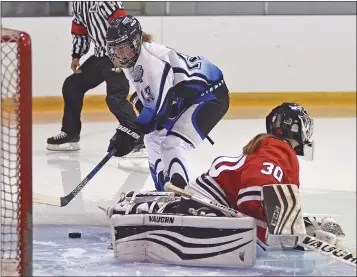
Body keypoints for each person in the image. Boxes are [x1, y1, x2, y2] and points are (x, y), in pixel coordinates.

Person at [105, 15, 230, 191]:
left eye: (124, 47)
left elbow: (158, 109)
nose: (120, 53)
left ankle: (180, 192)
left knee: (173, 143)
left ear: (136, 41)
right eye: (116, 48)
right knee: (152, 138)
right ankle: (164, 190)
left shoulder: (151, 61)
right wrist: (135, 126)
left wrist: (131, 132)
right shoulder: (132, 61)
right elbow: (148, 97)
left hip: (210, 95)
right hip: (185, 96)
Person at [47, 2, 145, 157]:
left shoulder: (104, 2)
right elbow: (80, 30)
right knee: (72, 85)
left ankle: (138, 139)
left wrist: (121, 55)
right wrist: (76, 55)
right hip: (100, 56)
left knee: (115, 98)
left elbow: (124, 25)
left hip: (116, 56)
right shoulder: (79, 4)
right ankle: (70, 134)